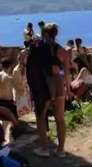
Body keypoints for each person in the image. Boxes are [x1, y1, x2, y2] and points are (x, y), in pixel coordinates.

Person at [26, 22, 71, 158]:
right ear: (55, 34)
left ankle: (45, 148)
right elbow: (67, 73)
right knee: (60, 118)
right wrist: (68, 89)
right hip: (58, 83)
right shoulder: (63, 50)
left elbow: (30, 65)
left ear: (44, 33)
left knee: (41, 116)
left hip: (44, 83)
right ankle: (61, 150)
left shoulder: (37, 47)